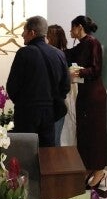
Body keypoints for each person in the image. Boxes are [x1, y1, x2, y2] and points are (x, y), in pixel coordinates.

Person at [6, 15, 68, 147]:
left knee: (25, 150)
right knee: (47, 152)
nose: (22, 34)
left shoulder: (24, 53)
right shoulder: (59, 54)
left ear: (32, 32)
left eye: (24, 31)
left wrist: (22, 103)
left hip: (26, 112)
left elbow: (12, 86)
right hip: (50, 112)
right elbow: (65, 86)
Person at [67, 15, 107, 180]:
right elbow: (67, 55)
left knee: (95, 133)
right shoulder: (81, 45)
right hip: (85, 93)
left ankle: (99, 170)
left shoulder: (93, 43)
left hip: (94, 95)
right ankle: (88, 166)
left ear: (79, 27)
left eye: (72, 28)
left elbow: (96, 69)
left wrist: (78, 72)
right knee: (84, 132)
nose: (70, 31)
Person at [46, 25, 72, 145]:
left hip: (53, 104)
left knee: (52, 141)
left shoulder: (51, 56)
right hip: (60, 103)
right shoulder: (64, 55)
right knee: (56, 140)